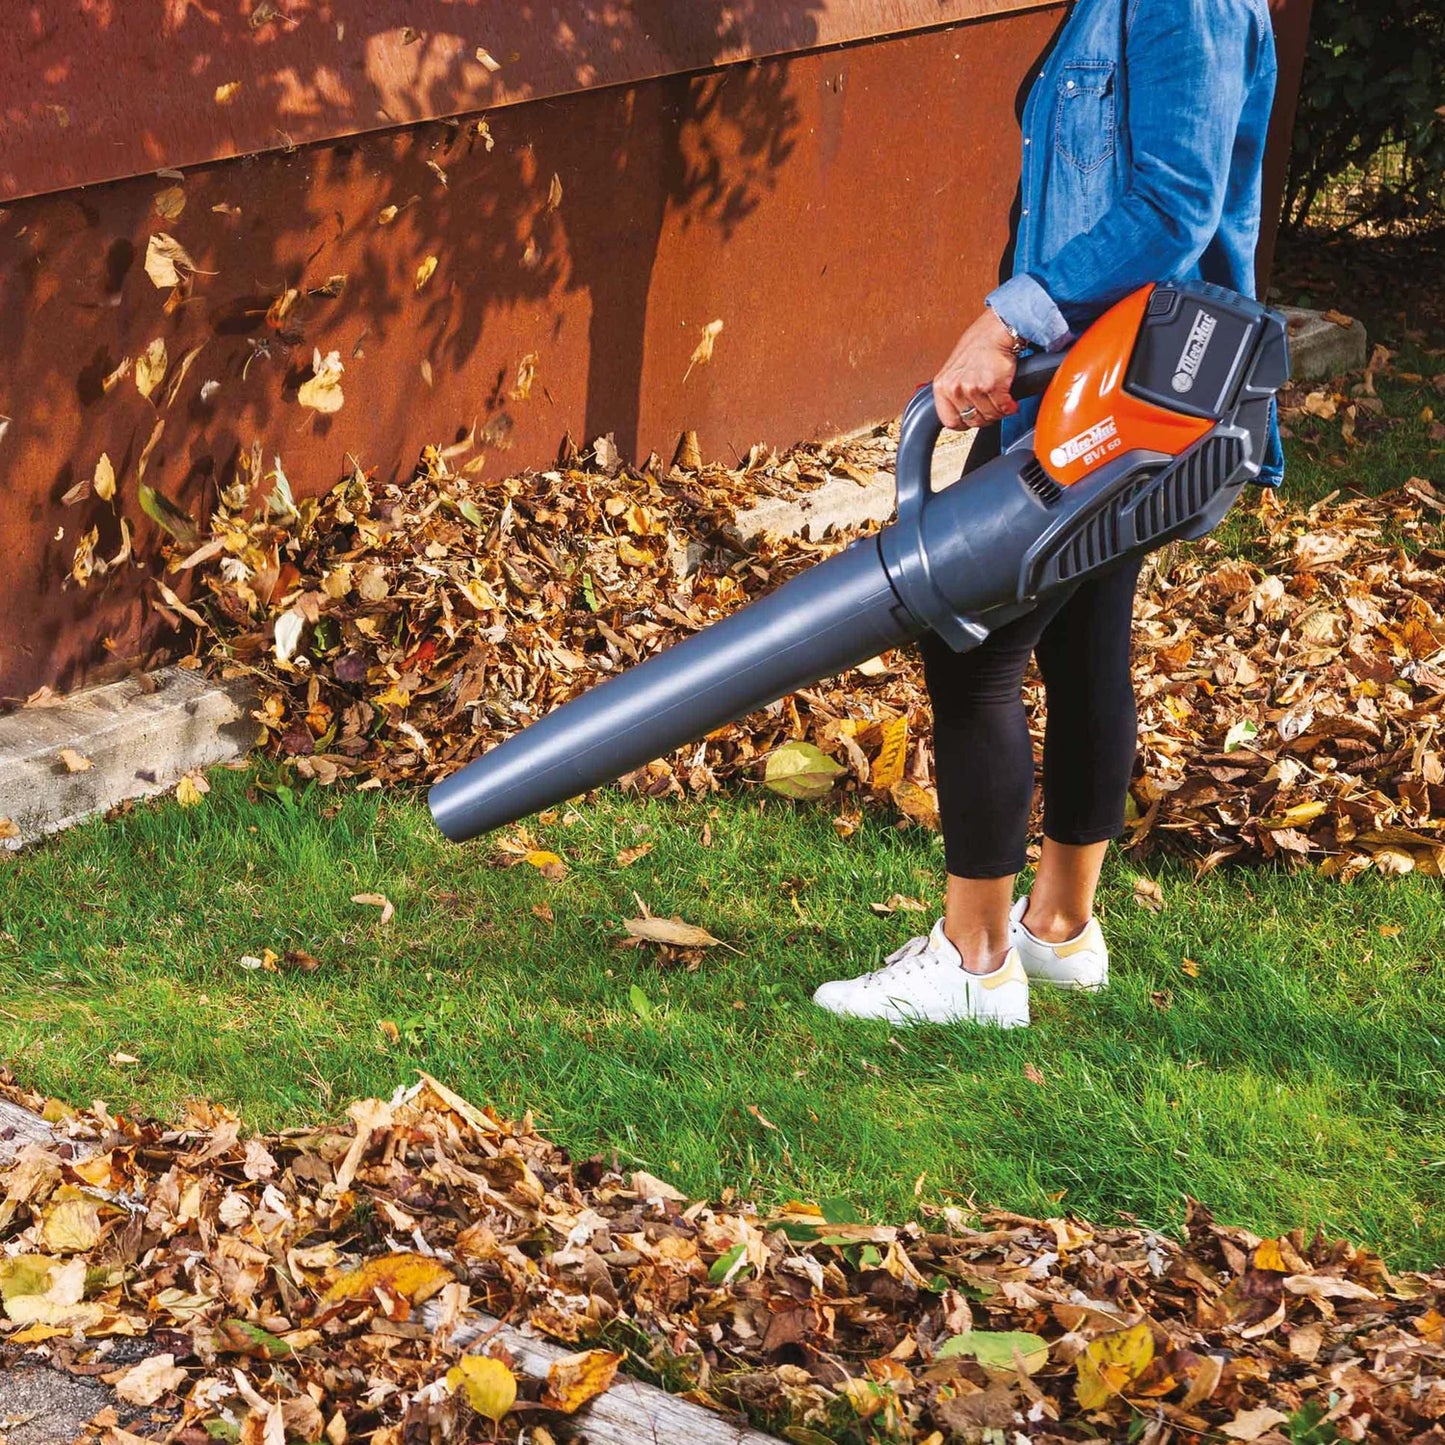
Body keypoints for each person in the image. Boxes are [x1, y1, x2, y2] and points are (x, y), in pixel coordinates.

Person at [813, 0, 1284, 1028]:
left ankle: (972, 962)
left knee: (970, 638)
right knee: (1082, 635)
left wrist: (1004, 320)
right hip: (1082, 382)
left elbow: (1173, 206)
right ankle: (1057, 930)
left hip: (1105, 396)